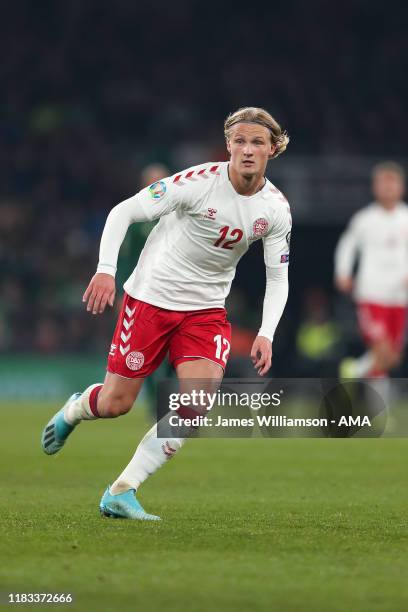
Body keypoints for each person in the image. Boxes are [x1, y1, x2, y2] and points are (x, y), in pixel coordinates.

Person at [41, 107, 292, 520]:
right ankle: (76, 408)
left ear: (272, 150)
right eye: (240, 141)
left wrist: (266, 331)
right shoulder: (196, 184)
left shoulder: (276, 210)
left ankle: (122, 489)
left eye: (257, 143)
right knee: (116, 403)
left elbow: (277, 276)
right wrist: (105, 271)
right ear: (228, 144)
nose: (247, 150)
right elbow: (123, 212)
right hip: (150, 300)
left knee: (196, 402)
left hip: (206, 311)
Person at [334, 161, 408, 379]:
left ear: (401, 186)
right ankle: (381, 409)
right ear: (374, 187)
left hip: (400, 296)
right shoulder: (364, 219)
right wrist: (343, 272)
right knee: (381, 350)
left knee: (392, 357)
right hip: (371, 293)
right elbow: (347, 245)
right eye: (382, 183)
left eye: (391, 183)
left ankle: (353, 371)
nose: (387, 188)